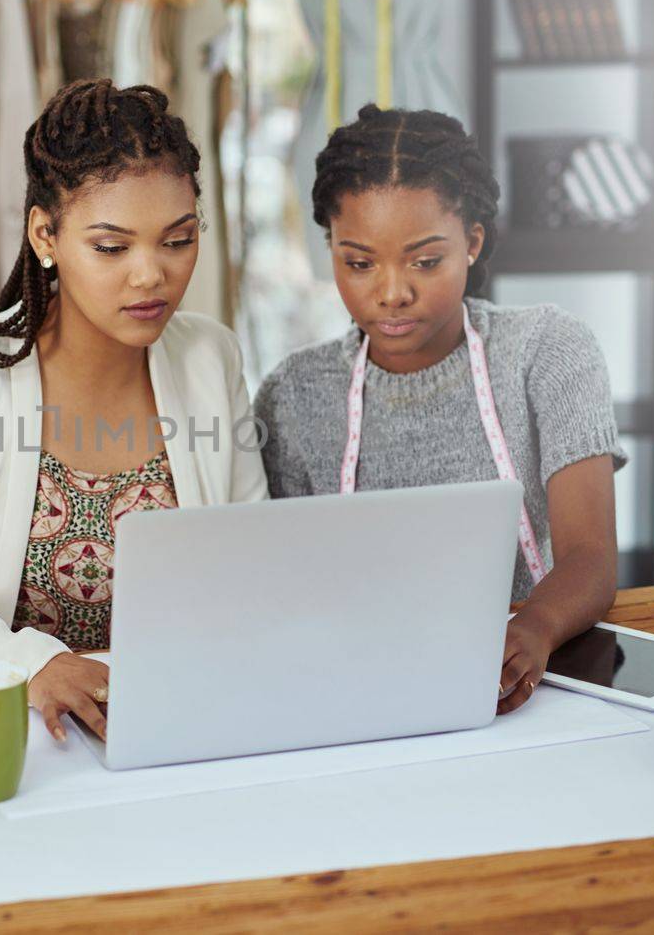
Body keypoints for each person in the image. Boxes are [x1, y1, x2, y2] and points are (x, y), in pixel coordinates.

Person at [0, 80, 266, 741]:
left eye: (178, 241)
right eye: (111, 247)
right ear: (46, 234)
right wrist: (30, 662)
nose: (150, 275)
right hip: (15, 738)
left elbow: (254, 572)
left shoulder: (210, 356)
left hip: (175, 725)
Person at [253, 105, 627, 714]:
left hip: (531, 676)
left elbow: (590, 559)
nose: (393, 291)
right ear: (331, 252)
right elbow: (286, 582)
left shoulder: (547, 352)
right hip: (356, 687)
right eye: (359, 263)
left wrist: (532, 629)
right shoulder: (294, 393)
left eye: (425, 261)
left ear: (472, 243)